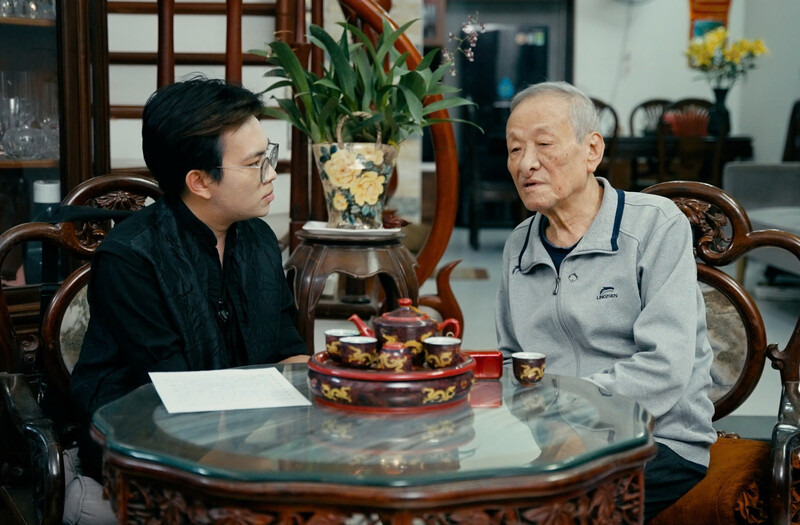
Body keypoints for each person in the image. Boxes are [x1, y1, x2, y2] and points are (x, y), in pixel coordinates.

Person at [70, 77, 309, 495]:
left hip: (239, 430)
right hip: (144, 440)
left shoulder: (257, 238)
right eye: (256, 164)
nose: (272, 173)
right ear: (199, 181)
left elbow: (287, 349)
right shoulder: (131, 257)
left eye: (268, 155)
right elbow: (175, 391)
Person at [495, 81, 716, 521]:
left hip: (656, 438)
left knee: (546, 514)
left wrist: (567, 414)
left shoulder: (655, 226)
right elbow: (509, 360)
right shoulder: (519, 245)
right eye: (515, 149)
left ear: (591, 150)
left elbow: (664, 367)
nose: (526, 164)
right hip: (552, 442)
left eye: (543, 144)